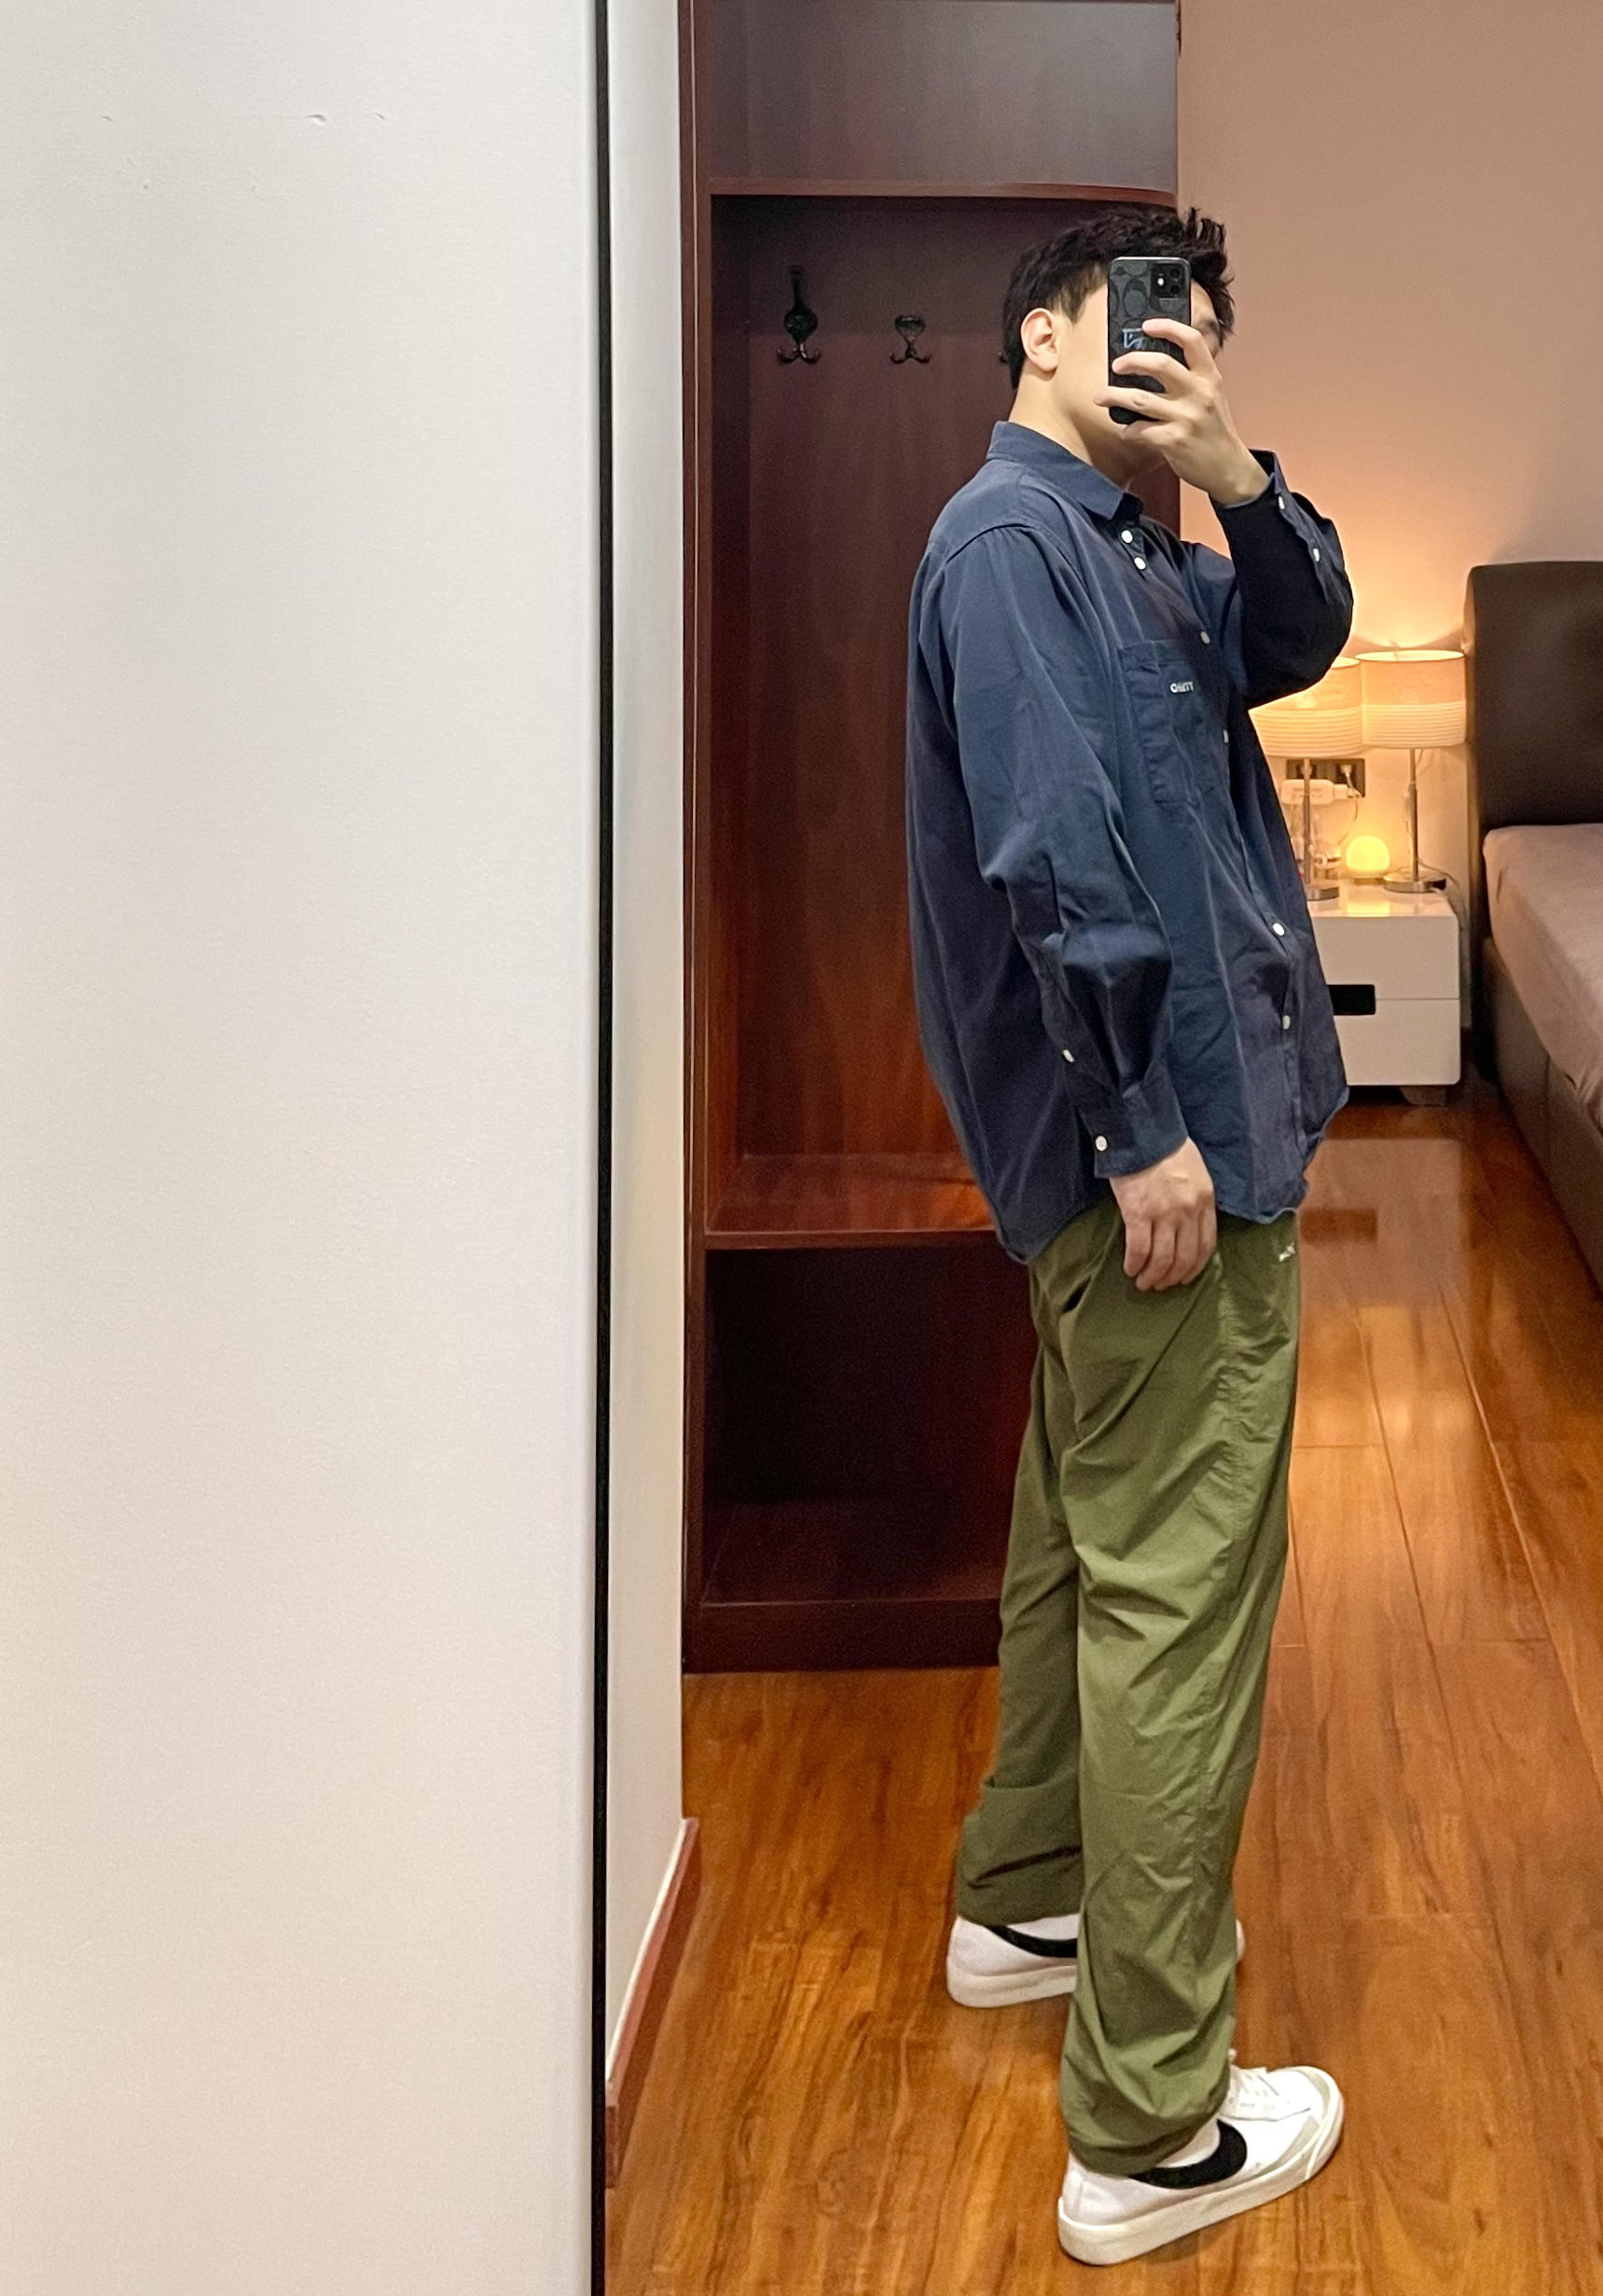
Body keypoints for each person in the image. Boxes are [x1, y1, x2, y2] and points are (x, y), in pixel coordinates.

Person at [905, 206, 1351, 2266]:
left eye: (1202, 333)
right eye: (1139, 317)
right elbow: (1050, 858)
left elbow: (1301, 633)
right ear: (1033, 333)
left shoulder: (1141, 554)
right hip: (1157, 1161)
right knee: (1180, 1601)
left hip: (1144, 1155)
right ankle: (1152, 2127)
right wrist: (1142, 1124)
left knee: (1082, 1539)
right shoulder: (1013, 548)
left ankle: (1024, 1902)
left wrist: (1236, 469)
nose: (1176, 352)